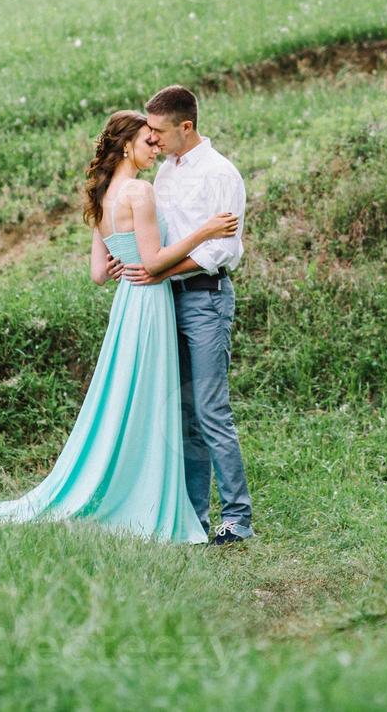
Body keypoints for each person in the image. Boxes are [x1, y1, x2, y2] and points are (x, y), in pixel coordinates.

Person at [0, 109, 238, 544]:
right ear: (127, 145)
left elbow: (99, 274)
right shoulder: (140, 191)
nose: (154, 147)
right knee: (151, 402)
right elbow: (157, 262)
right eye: (147, 141)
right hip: (150, 299)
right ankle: (150, 496)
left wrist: (129, 256)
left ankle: (155, 491)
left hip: (128, 302)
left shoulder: (104, 194)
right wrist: (206, 231)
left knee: (136, 397)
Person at [111, 85, 254, 545]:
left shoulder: (219, 173)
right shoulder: (165, 174)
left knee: (211, 411)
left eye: (158, 130)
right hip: (166, 299)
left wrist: (160, 271)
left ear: (185, 127)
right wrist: (133, 258)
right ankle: (194, 516)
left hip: (206, 299)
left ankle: (237, 518)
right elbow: (160, 239)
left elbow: (222, 248)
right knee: (183, 414)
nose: (152, 139)